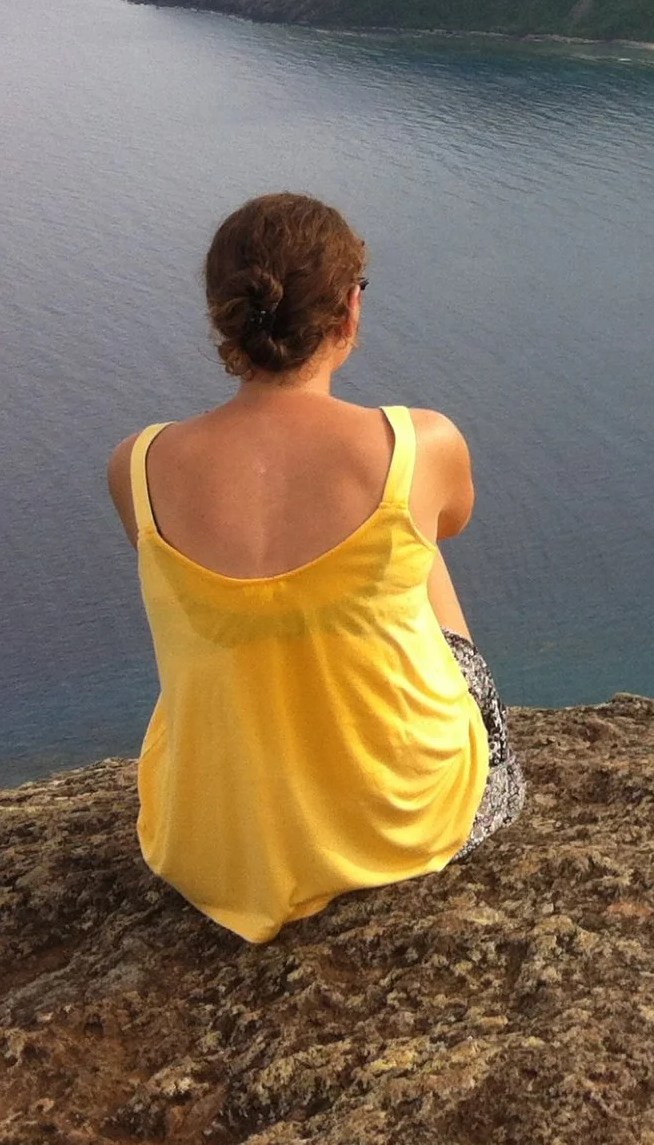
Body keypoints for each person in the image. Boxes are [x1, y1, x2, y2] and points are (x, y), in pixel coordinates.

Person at [106, 192, 523, 941]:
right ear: (349, 313)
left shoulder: (137, 465)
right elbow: (454, 517)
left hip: (209, 847)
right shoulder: (417, 442)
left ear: (223, 315)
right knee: (413, 539)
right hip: (398, 829)